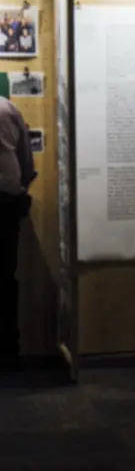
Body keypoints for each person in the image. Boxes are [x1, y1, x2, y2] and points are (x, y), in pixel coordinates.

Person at [0, 96, 34, 371]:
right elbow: (26, 161)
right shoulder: (7, 108)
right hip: (5, 202)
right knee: (5, 276)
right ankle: (8, 349)